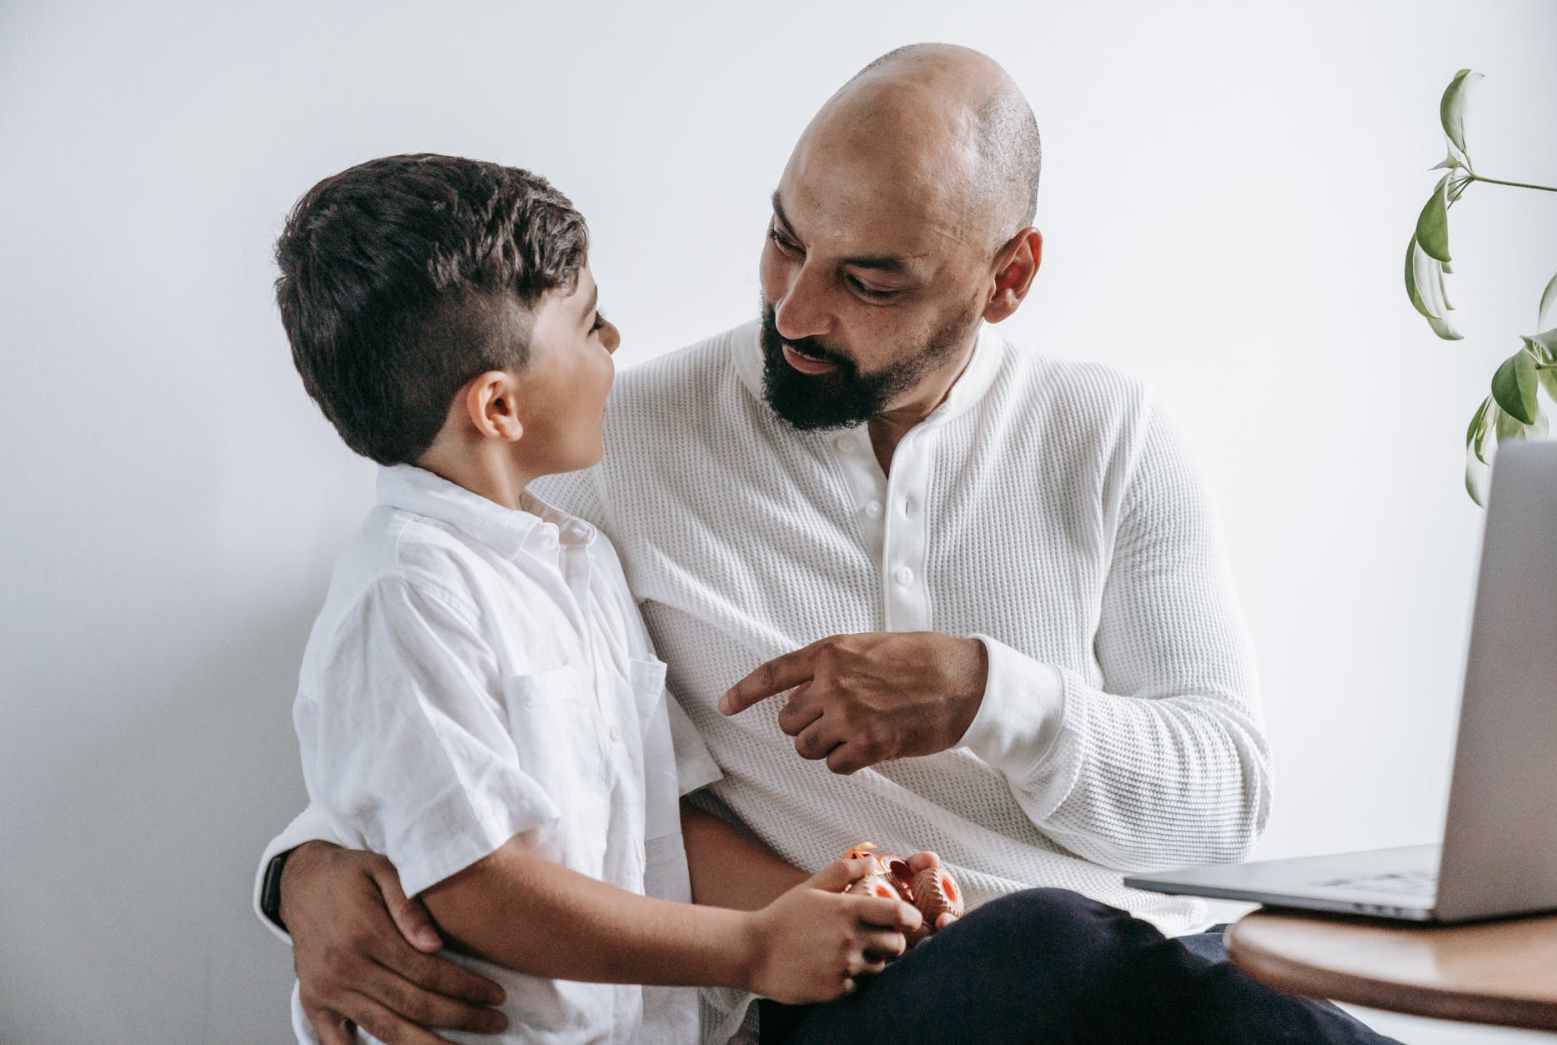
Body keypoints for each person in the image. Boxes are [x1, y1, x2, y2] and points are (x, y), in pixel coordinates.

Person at [258, 47, 1402, 1044]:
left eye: (867, 280)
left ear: (1005, 278)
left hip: (1138, 964)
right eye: (782, 240)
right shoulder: (607, 444)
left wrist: (989, 696)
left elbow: (1221, 807)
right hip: (862, 998)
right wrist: (303, 869)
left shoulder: (1105, 432)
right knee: (1041, 941)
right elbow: (468, 728)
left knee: (1100, 954)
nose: (794, 312)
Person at [266, 152, 933, 1044]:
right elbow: (477, 882)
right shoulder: (407, 597)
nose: (614, 340)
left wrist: (836, 910)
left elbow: (662, 821)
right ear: (498, 409)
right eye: (589, 324)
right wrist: (751, 949)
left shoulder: (579, 560)